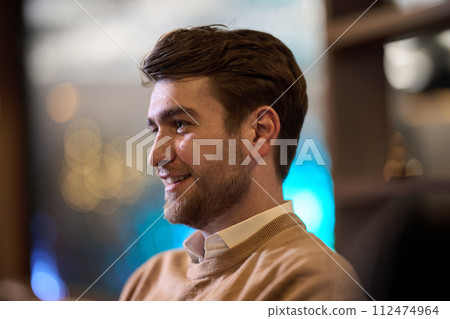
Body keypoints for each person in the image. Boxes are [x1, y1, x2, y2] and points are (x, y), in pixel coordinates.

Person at [120, 25, 366, 301]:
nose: (155, 156)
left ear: (260, 132)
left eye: (180, 125)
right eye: (155, 130)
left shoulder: (313, 282)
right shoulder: (147, 280)